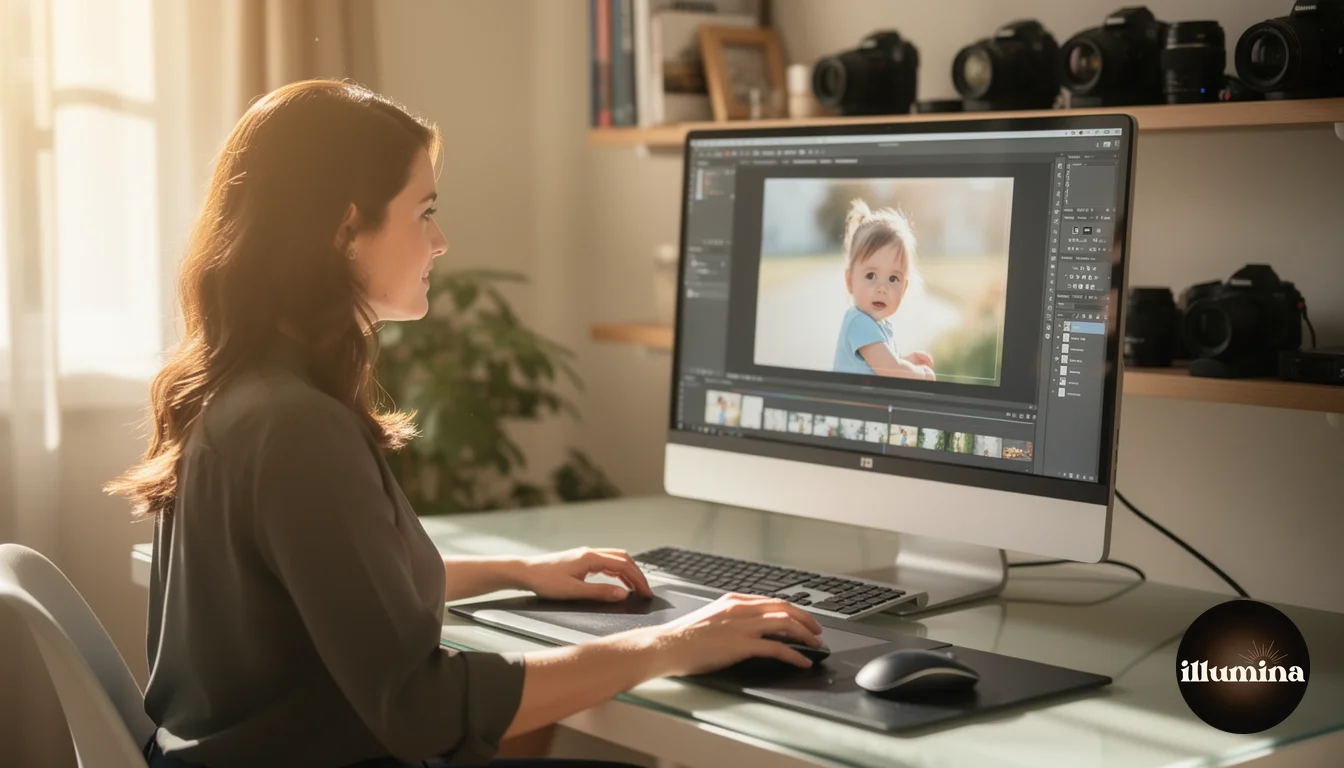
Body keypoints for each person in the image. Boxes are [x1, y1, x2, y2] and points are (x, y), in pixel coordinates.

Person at [106, 79, 823, 768]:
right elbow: (421, 707)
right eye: (424, 212)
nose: (441, 240)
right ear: (345, 229)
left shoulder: (242, 390)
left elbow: (342, 592)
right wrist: (670, 643)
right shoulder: (295, 428)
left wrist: (519, 570)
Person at [831, 199, 936, 380]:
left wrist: (905, 361)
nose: (882, 288)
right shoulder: (859, 322)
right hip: (853, 409)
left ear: (903, 288)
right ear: (850, 281)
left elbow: (882, 364)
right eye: (871, 276)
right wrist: (922, 375)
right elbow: (889, 369)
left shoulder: (876, 325)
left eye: (893, 278)